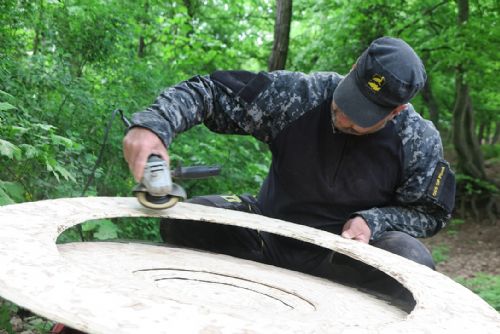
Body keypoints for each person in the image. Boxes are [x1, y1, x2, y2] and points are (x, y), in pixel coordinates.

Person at [123, 37, 456, 306]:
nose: (343, 119)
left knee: (411, 261)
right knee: (188, 219)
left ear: (396, 110)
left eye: (361, 118)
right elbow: (210, 91)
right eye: (345, 104)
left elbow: (430, 213)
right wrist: (154, 126)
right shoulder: (302, 95)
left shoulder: (417, 140)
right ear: (354, 68)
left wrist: (374, 221)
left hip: (343, 258)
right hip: (267, 232)